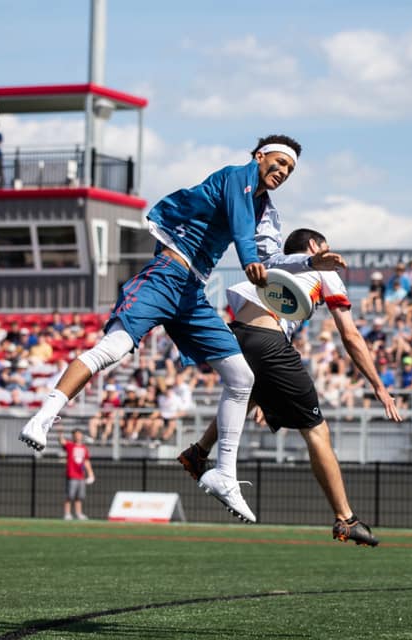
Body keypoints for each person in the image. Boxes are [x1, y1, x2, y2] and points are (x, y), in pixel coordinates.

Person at [20, 135, 334, 524]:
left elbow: (269, 258)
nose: (284, 171)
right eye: (280, 162)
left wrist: (309, 264)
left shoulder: (264, 210)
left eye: (290, 169)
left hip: (192, 291)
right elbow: (242, 235)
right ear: (259, 156)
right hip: (165, 275)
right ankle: (45, 415)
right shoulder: (236, 177)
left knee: (242, 376)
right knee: (112, 348)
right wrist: (249, 261)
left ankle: (224, 474)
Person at [177, 228, 402, 545]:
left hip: (237, 333)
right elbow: (350, 335)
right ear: (314, 247)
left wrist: (265, 397)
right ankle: (346, 519)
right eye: (326, 248)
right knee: (317, 431)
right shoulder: (322, 268)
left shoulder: (274, 264)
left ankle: (198, 452)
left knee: (245, 392)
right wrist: (379, 386)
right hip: (267, 342)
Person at [59, 428, 94, 520]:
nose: (78, 436)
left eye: (79, 434)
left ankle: (79, 513)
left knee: (80, 496)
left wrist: (90, 473)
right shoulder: (70, 445)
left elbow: (86, 461)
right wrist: (60, 433)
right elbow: (62, 442)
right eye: (76, 435)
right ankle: (67, 513)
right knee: (69, 495)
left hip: (81, 476)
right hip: (72, 475)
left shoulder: (84, 448)